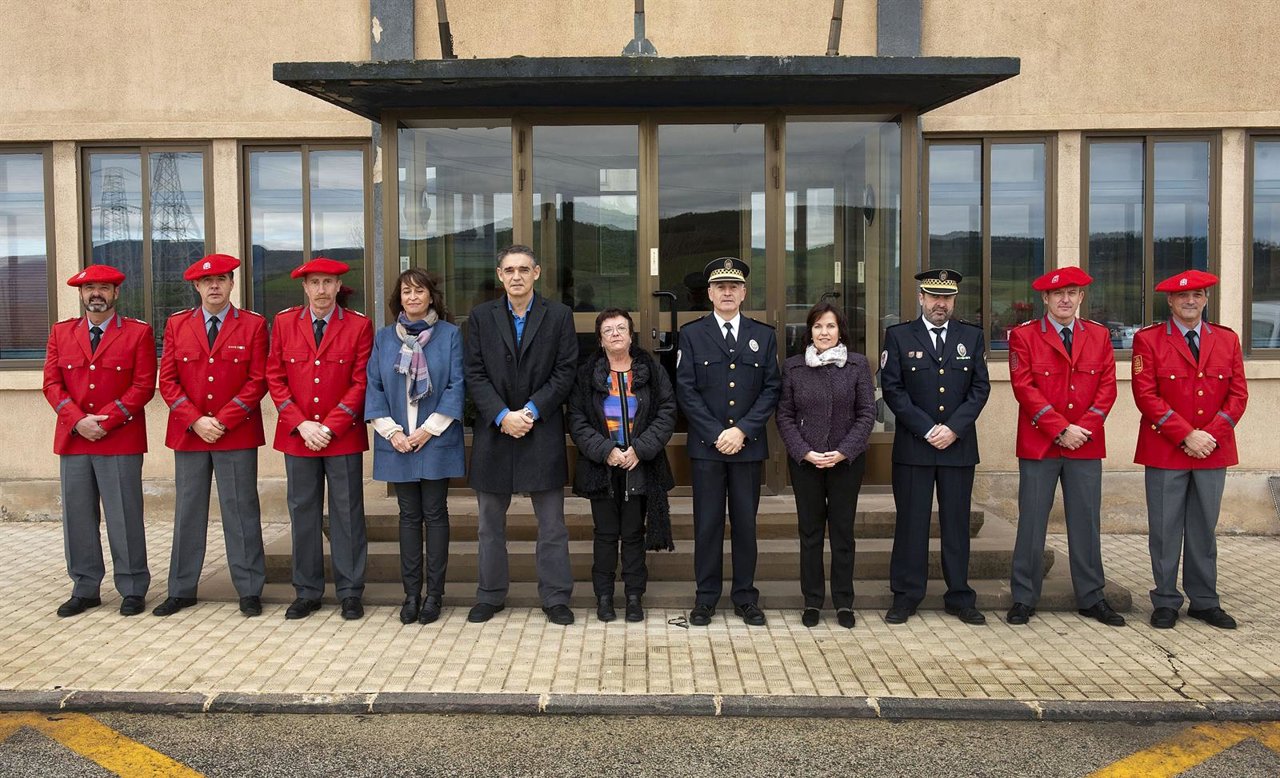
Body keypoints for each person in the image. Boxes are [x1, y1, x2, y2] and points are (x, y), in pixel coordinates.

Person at [464, 244, 578, 625]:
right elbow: (474, 373)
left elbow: (565, 371)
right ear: (500, 275)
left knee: (552, 526)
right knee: (489, 525)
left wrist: (529, 411)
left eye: (524, 269)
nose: (516, 276)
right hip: (495, 432)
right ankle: (490, 594)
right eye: (509, 270)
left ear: (537, 273)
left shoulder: (559, 316)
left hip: (539, 429)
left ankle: (556, 597)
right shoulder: (480, 318)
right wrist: (501, 415)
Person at [1006, 266, 1124, 627]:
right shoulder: (1024, 336)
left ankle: (1092, 596)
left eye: (1072, 293)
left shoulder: (1099, 336)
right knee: (1032, 522)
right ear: (1045, 298)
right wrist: (1059, 429)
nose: (1065, 299)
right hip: (1041, 443)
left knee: (1086, 523)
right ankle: (1024, 597)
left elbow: (1107, 388)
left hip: (1085, 445)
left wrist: (1082, 430)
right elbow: (1024, 388)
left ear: (1082, 297)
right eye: (1058, 294)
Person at [153, 254, 269, 618]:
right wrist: (196, 420)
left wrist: (223, 419)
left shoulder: (252, 325)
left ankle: (250, 590)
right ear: (196, 287)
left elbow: (258, 379)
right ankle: (181, 589)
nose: (214, 286)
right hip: (190, 434)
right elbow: (167, 381)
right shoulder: (177, 325)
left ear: (232, 284)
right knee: (188, 512)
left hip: (235, 432)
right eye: (207, 281)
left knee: (242, 511)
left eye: (221, 279)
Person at [1131, 269, 1248, 630]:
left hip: (1212, 449)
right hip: (1166, 449)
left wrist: (1209, 435)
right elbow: (1145, 395)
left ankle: (1205, 601)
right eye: (1183, 297)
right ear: (1170, 301)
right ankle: (1165, 600)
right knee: (1165, 529)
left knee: (1203, 529)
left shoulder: (1227, 340)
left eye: (1197, 295)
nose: (1190, 301)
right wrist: (1186, 435)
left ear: (1206, 299)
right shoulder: (1148, 340)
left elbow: (1238, 395)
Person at [42, 264, 156, 617]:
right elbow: (51, 384)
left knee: (124, 516)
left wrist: (106, 420)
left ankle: (133, 587)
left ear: (116, 293)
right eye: (90, 288)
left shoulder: (138, 333)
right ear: (80, 294)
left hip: (119, 438)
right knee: (77, 516)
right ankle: (85, 587)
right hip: (75, 440)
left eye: (104, 288)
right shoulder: (61, 333)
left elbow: (142, 386)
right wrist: (78, 421)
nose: (96, 294)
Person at [880, 268, 990, 626]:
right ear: (922, 299)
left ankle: (959, 595)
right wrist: (928, 429)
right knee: (911, 524)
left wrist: (953, 429)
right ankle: (906, 595)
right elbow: (892, 389)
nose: (940, 304)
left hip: (957, 448)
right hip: (915, 446)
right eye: (934, 297)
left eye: (947, 298)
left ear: (954, 301)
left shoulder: (971, 337)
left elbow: (979, 389)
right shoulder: (898, 336)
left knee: (956, 523)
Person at [266, 257, 374, 621]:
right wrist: (303, 425)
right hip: (298, 437)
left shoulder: (359, 326)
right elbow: (275, 378)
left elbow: (361, 382)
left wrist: (329, 426)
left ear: (339, 287)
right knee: (303, 514)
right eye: (315, 283)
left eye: (329, 283)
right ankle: (307, 591)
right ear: (305, 287)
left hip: (341, 437)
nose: (323, 290)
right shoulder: (283, 323)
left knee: (347, 514)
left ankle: (350, 591)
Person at [675, 257, 781, 626]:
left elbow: (771, 389)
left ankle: (745, 597)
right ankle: (705, 598)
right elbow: (685, 390)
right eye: (720, 287)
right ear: (709, 293)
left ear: (743, 293)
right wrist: (716, 433)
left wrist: (741, 431)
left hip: (747, 447)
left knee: (745, 526)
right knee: (707, 525)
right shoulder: (691, 334)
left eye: (733, 287)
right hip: (707, 448)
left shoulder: (763, 335)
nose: (727, 293)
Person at [365, 269, 465, 625]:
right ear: (399, 298)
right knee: (408, 516)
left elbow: (456, 386)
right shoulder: (384, 338)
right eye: (406, 291)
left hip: (434, 439)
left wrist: (428, 430)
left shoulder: (450, 335)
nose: (412, 297)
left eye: (419, 291)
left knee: (436, 514)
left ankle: (435, 595)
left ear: (430, 296)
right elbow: (374, 387)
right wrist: (392, 432)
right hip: (397, 441)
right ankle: (411, 594)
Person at [567, 308, 677, 623]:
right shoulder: (586, 375)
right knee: (604, 533)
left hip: (639, 465)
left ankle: (632, 597)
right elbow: (576, 419)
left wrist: (639, 450)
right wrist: (606, 451)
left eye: (621, 328)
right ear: (600, 340)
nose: (616, 334)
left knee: (632, 533)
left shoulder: (652, 372)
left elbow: (667, 412)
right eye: (608, 330)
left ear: (631, 335)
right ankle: (603, 597)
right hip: (601, 466)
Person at [775, 302, 875, 629]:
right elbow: (785, 416)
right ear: (810, 331)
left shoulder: (858, 366)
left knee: (843, 532)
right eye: (818, 327)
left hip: (846, 463)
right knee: (811, 532)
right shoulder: (793, 368)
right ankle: (812, 601)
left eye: (830, 326)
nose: (824, 333)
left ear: (840, 330)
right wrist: (803, 452)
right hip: (807, 463)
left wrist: (845, 451)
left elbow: (866, 415)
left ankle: (844, 601)